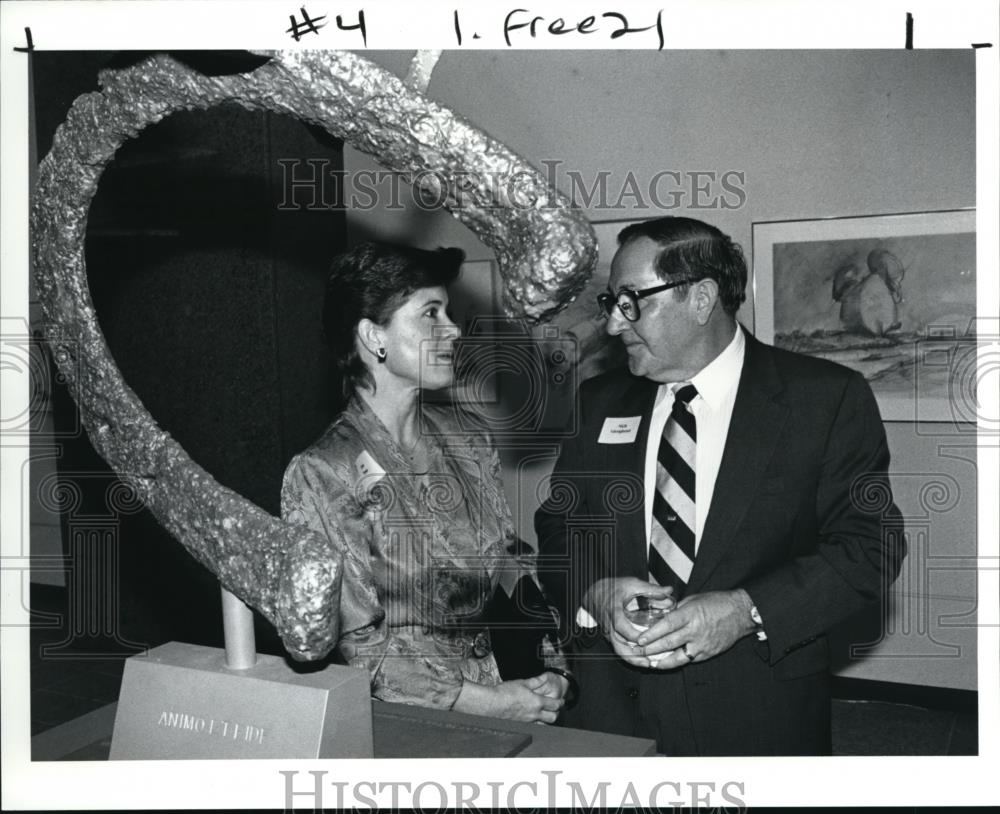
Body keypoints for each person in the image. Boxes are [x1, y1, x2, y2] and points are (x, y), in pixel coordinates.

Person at [535, 216, 905, 755]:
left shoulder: (824, 400)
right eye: (611, 302)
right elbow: (559, 525)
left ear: (702, 298)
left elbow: (869, 548)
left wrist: (744, 609)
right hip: (612, 711)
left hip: (756, 710)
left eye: (632, 301)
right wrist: (597, 589)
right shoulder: (599, 404)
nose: (614, 325)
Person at [282, 242, 572, 723]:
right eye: (430, 314)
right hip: (406, 720)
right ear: (374, 336)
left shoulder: (470, 440)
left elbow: (512, 562)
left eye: (449, 311)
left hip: (505, 689)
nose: (453, 329)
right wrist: (485, 704)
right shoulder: (323, 471)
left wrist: (551, 665)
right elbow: (357, 644)